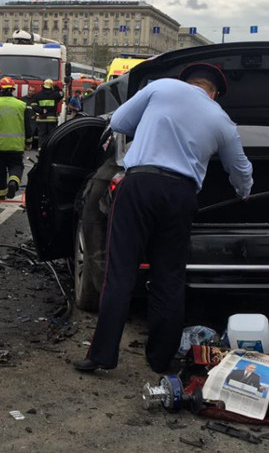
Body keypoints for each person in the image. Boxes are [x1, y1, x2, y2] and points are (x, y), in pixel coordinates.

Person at [73, 63, 253, 374]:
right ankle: (160, 359)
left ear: (186, 80)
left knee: (120, 274)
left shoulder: (161, 88)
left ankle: (101, 356)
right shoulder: (221, 119)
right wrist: (244, 193)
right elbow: (241, 171)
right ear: (215, 93)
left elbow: (119, 121)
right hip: (181, 195)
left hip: (139, 185)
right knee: (169, 279)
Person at [0, 77, 32, 200]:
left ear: (0, 89)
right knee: (16, 165)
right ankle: (13, 182)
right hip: (16, 145)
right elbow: (27, 126)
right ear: (13, 90)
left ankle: (0, 195)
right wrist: (28, 141)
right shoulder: (22, 105)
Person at [30, 79, 64, 147]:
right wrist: (56, 87)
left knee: (42, 137)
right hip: (51, 120)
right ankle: (49, 151)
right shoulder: (55, 95)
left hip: (41, 119)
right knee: (51, 137)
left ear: (43, 86)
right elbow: (62, 94)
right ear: (51, 86)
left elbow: (33, 106)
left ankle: (40, 151)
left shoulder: (38, 95)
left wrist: (41, 111)